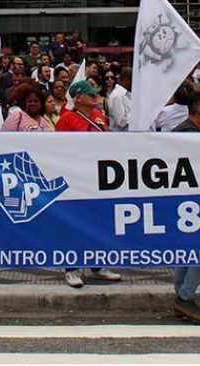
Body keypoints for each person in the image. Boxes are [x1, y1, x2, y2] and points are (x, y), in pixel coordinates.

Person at [56, 81, 123, 287]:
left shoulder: (99, 116)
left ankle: (97, 264)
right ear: (78, 98)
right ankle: (72, 268)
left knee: (98, 222)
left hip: (99, 177)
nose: (95, 97)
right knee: (74, 223)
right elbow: (55, 148)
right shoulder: (67, 119)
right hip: (76, 177)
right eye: (90, 95)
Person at [171, 92, 200, 321]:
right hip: (191, 199)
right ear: (199, 109)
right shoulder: (190, 134)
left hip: (186, 199)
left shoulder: (186, 131)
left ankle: (182, 293)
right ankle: (185, 297)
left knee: (188, 249)